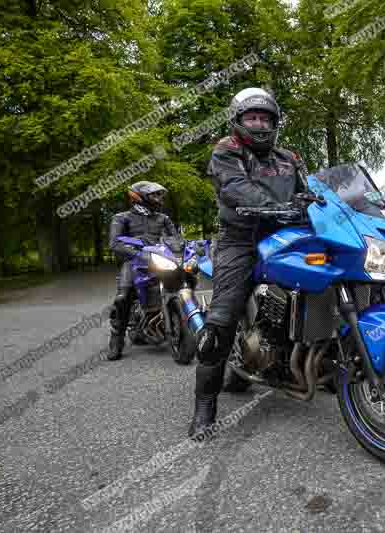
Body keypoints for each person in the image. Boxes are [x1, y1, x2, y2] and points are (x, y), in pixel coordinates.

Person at [189, 87, 308, 438]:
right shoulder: (227, 150)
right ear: (238, 121)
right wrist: (279, 206)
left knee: (323, 283)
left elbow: (312, 189)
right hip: (240, 239)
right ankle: (205, 406)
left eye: (265, 118)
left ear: (274, 122)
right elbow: (234, 187)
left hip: (287, 235)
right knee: (222, 319)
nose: (259, 123)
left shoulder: (289, 156)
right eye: (252, 117)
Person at [107, 181, 179, 360]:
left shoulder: (163, 219)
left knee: (185, 281)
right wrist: (139, 256)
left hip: (161, 259)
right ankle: (117, 339)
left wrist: (189, 249)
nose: (159, 199)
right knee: (123, 298)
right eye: (155, 195)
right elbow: (115, 243)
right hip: (133, 262)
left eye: (160, 195)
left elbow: (176, 240)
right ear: (139, 197)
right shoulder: (121, 218)